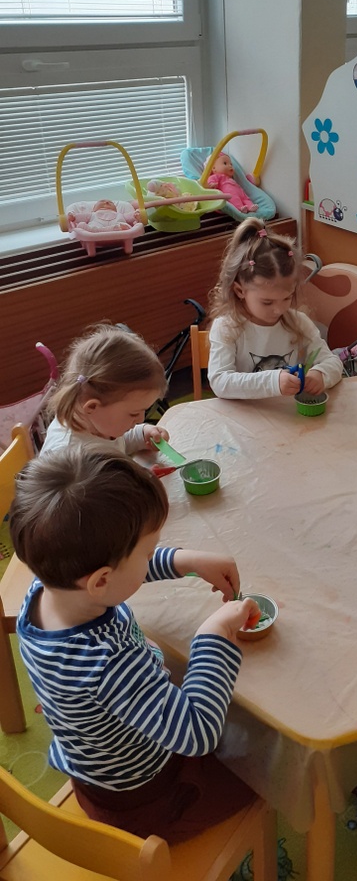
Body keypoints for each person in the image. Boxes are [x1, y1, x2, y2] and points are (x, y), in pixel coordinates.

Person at [9, 448, 261, 842]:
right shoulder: (108, 663)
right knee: (261, 770)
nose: (151, 557)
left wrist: (184, 560)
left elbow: (116, 572)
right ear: (100, 581)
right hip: (145, 798)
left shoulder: (49, 589)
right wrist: (212, 636)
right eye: (148, 552)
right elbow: (197, 733)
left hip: (97, 769)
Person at [207, 217, 343, 399]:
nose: (279, 310)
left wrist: (321, 374)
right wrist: (272, 381)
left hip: (287, 412)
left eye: (287, 298)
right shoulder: (227, 328)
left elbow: (332, 361)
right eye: (267, 302)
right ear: (240, 291)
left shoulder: (299, 323)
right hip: (245, 413)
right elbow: (220, 382)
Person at [41, 324, 169, 455]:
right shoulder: (68, 456)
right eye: (134, 414)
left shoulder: (100, 423)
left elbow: (116, 442)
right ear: (92, 407)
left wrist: (142, 435)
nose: (141, 419)